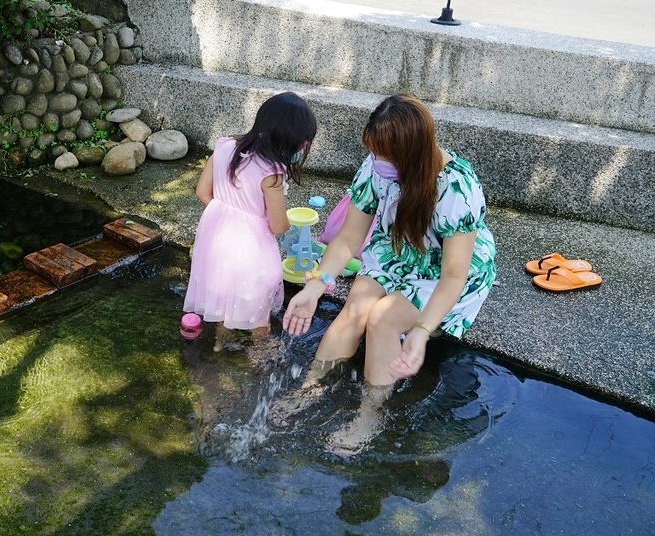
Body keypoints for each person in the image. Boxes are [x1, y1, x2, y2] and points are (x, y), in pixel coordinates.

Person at [275, 93, 497, 454]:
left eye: (385, 156)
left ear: (413, 154)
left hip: (445, 269)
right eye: (374, 153)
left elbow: (454, 275)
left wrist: (422, 331)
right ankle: (308, 389)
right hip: (396, 248)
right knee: (354, 311)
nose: (376, 162)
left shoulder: (458, 187)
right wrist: (316, 287)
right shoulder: (377, 165)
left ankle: (369, 415)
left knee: (382, 319)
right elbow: (348, 238)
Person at [183, 92, 318, 352]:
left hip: (217, 241)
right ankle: (261, 356)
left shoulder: (224, 147)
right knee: (259, 310)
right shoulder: (272, 172)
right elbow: (278, 226)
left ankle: (220, 343)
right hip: (252, 250)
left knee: (223, 298)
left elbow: (202, 192)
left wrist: (228, 215)